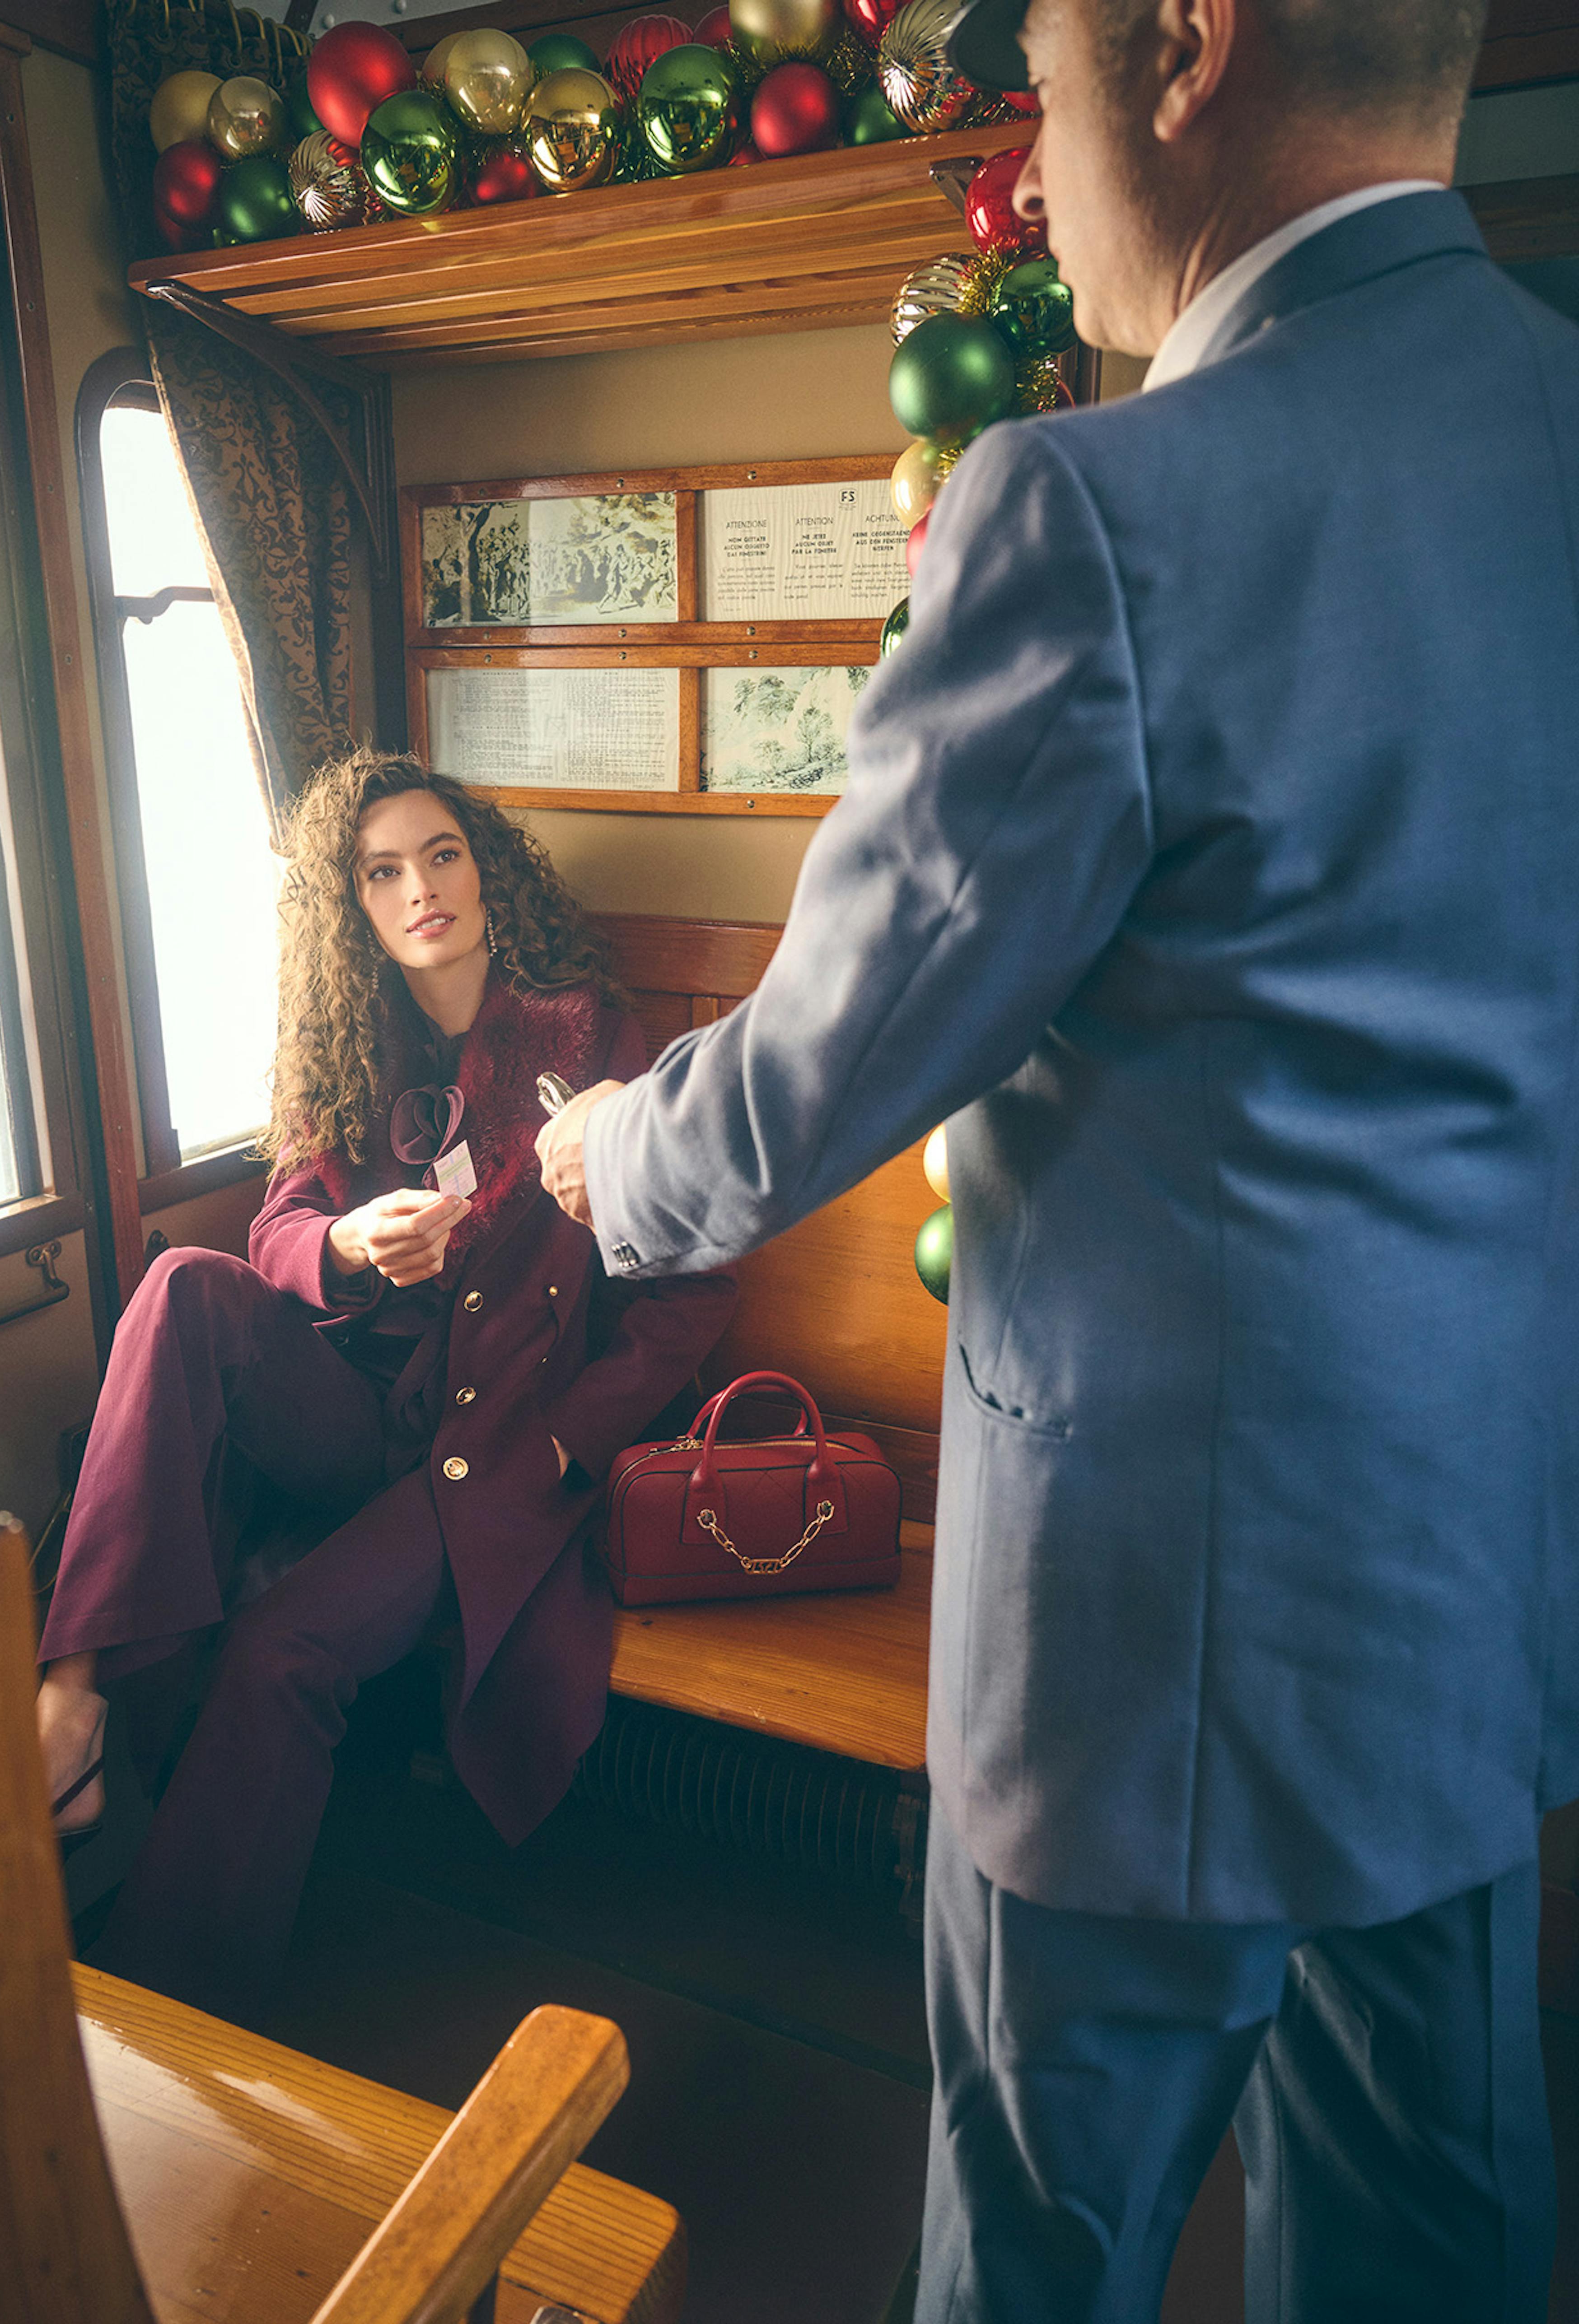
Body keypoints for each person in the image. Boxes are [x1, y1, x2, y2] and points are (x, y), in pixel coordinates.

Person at [536, 1, 1579, 2314]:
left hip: (1145, 1668)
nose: (1033, 119)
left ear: (1187, 44)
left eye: (1043, 48)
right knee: (1438, 2256)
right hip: (1479, 1609)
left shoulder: (1095, 510)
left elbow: (821, 1068)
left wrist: (611, 1153)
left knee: (1042, 2269)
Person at [37, 752, 735, 2009]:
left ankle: (170, 2017)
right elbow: (273, 1238)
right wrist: (350, 1245)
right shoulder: (345, 1046)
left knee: (274, 1648)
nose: (422, 887)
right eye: (383, 871)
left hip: (492, 1451)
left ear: (486, 868)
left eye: (443, 854)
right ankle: (73, 1699)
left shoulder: (596, 1038)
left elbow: (686, 1293)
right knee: (181, 1288)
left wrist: (572, 1444)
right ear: (351, 905)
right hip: (356, 1408)